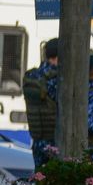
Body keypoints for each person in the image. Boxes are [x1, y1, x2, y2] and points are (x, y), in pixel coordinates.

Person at [22, 38, 59, 167]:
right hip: (54, 142)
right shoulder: (55, 79)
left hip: (37, 141)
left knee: (40, 180)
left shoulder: (31, 76)